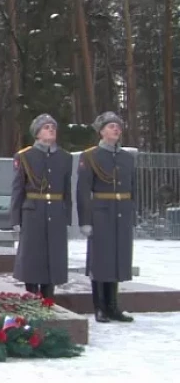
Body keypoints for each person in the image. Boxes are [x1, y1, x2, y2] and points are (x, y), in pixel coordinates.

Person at [76, 111, 135, 323]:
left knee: (118, 259)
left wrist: (131, 215)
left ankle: (113, 306)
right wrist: (85, 220)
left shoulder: (127, 158)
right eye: (111, 126)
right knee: (101, 261)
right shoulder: (90, 156)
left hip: (122, 214)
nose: (116, 129)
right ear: (101, 131)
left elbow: (132, 188)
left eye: (118, 126)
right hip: (100, 213)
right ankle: (99, 307)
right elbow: (83, 191)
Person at [10, 114, 72, 299]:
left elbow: (66, 190)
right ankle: (31, 296)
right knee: (32, 256)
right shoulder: (25, 156)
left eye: (53, 127)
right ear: (37, 133)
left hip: (56, 212)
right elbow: (18, 189)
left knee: (53, 255)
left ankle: (48, 297)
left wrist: (66, 215)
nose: (51, 129)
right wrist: (15, 219)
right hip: (32, 212)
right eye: (46, 127)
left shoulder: (64, 157)